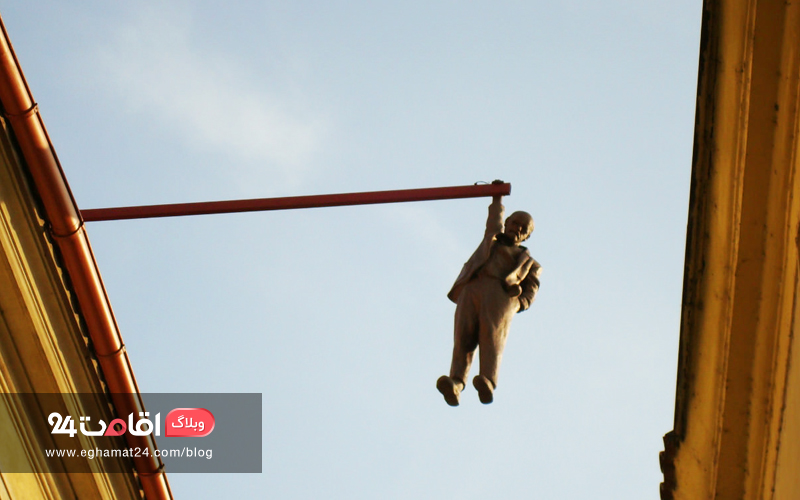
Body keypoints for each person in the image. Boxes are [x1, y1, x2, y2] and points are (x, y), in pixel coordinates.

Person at [437, 188, 541, 406]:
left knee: (491, 337)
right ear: (507, 223)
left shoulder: (530, 264)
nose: (517, 229)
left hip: (501, 295)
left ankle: (487, 381)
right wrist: (497, 198)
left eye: (524, 229)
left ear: (526, 236)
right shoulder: (492, 240)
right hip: (473, 287)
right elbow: (493, 220)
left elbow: (531, 290)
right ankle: (456, 382)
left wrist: (517, 303)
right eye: (515, 223)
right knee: (463, 336)